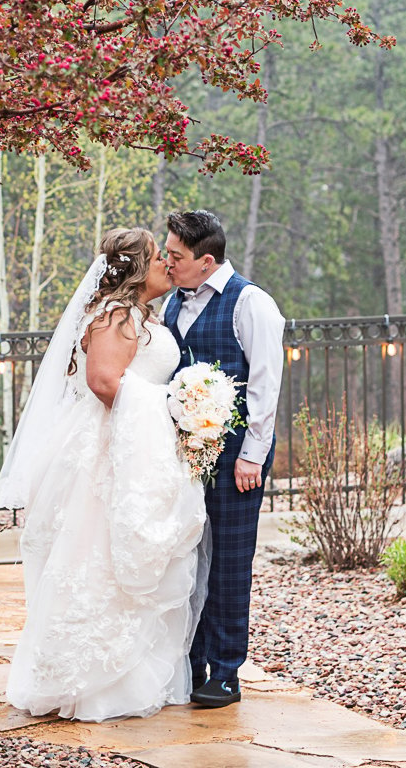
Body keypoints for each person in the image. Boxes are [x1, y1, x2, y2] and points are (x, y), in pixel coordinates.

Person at [0, 227, 208, 722]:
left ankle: (131, 677)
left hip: (138, 447)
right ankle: (87, 683)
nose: (167, 266)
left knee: (120, 561)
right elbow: (105, 382)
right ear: (136, 270)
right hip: (110, 453)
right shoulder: (116, 317)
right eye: (158, 259)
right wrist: (176, 408)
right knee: (98, 558)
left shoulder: (137, 316)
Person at [162, 210, 286, 708]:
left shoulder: (251, 303)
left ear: (206, 260)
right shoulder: (173, 300)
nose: (167, 264)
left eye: (176, 256)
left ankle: (228, 671)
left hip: (237, 455)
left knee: (230, 563)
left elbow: (265, 385)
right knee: (187, 558)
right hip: (183, 454)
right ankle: (190, 663)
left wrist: (252, 456)